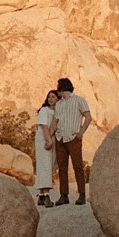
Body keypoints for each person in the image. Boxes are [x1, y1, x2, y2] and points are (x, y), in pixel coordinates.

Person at [52, 74, 92, 205]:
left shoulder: (79, 100)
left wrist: (81, 132)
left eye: (58, 88)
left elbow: (88, 117)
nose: (57, 91)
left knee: (77, 166)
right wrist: (50, 136)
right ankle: (64, 196)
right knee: (62, 168)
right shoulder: (59, 104)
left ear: (62, 88)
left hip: (73, 138)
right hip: (60, 138)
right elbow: (55, 121)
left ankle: (82, 195)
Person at [32, 83, 61, 207]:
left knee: (48, 166)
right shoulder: (44, 110)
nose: (50, 99)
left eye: (53, 97)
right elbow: (44, 126)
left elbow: (54, 126)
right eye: (49, 97)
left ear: (58, 99)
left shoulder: (57, 111)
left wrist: (51, 138)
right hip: (43, 139)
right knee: (44, 165)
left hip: (51, 138)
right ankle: (47, 195)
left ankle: (41, 196)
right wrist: (48, 140)